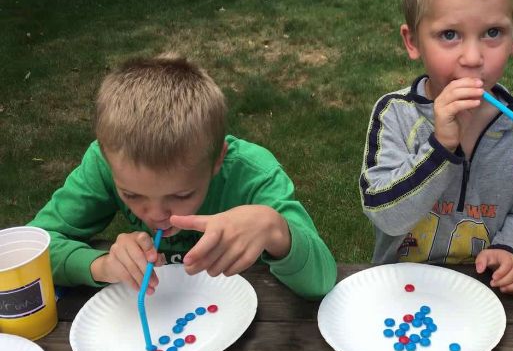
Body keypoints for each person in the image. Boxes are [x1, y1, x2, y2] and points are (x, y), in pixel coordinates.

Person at [28, 54, 337, 299]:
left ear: (217, 161)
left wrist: (276, 229)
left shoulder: (252, 173)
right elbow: (33, 250)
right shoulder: (103, 163)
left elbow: (321, 280)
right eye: (132, 195)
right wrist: (99, 264)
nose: (158, 214)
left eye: (180, 195)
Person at [359, 0, 513, 294]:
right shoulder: (396, 114)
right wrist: (441, 147)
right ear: (413, 41)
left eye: (493, 32)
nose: (473, 58)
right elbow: (384, 214)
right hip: (399, 293)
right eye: (449, 34)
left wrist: (511, 250)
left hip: (484, 295)